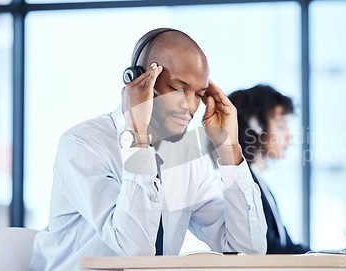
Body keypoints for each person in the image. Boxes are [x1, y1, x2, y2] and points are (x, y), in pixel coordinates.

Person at [29, 28, 267, 270]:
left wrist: (229, 150)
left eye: (200, 94)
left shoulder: (187, 157)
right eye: (179, 88)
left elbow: (246, 251)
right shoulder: (82, 145)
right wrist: (137, 138)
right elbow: (134, 250)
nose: (191, 106)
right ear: (140, 79)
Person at [228, 84, 309, 254]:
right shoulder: (243, 186)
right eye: (281, 125)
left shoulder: (260, 182)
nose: (289, 135)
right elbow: (270, 249)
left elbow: (286, 245)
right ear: (255, 127)